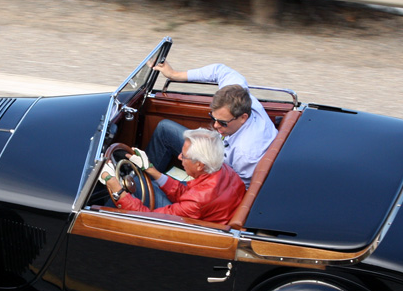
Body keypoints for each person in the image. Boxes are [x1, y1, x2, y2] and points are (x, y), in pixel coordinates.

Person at [146, 62, 277, 186]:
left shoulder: (245, 155)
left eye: (223, 123)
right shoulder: (242, 97)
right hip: (216, 152)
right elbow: (218, 70)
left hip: (220, 176)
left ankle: (144, 186)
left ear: (243, 117)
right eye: (213, 118)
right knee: (164, 129)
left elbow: (235, 188)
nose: (215, 126)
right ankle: (145, 177)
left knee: (157, 187)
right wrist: (174, 74)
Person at [100, 128, 246, 225]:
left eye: (184, 156)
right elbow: (188, 193)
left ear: (200, 165)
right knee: (140, 181)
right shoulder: (223, 169)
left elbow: (147, 217)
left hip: (194, 230)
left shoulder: (196, 201)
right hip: (206, 215)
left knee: (137, 183)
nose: (179, 156)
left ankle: (100, 222)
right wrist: (152, 170)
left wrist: (116, 189)